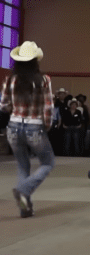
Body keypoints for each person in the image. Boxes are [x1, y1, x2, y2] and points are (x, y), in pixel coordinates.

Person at [0, 41, 55, 218]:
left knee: (23, 165)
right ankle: (23, 190)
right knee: (47, 163)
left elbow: (3, 105)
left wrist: (15, 110)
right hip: (34, 126)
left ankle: (25, 208)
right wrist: (46, 126)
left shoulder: (10, 80)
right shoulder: (44, 80)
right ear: (35, 61)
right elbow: (48, 107)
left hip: (14, 126)